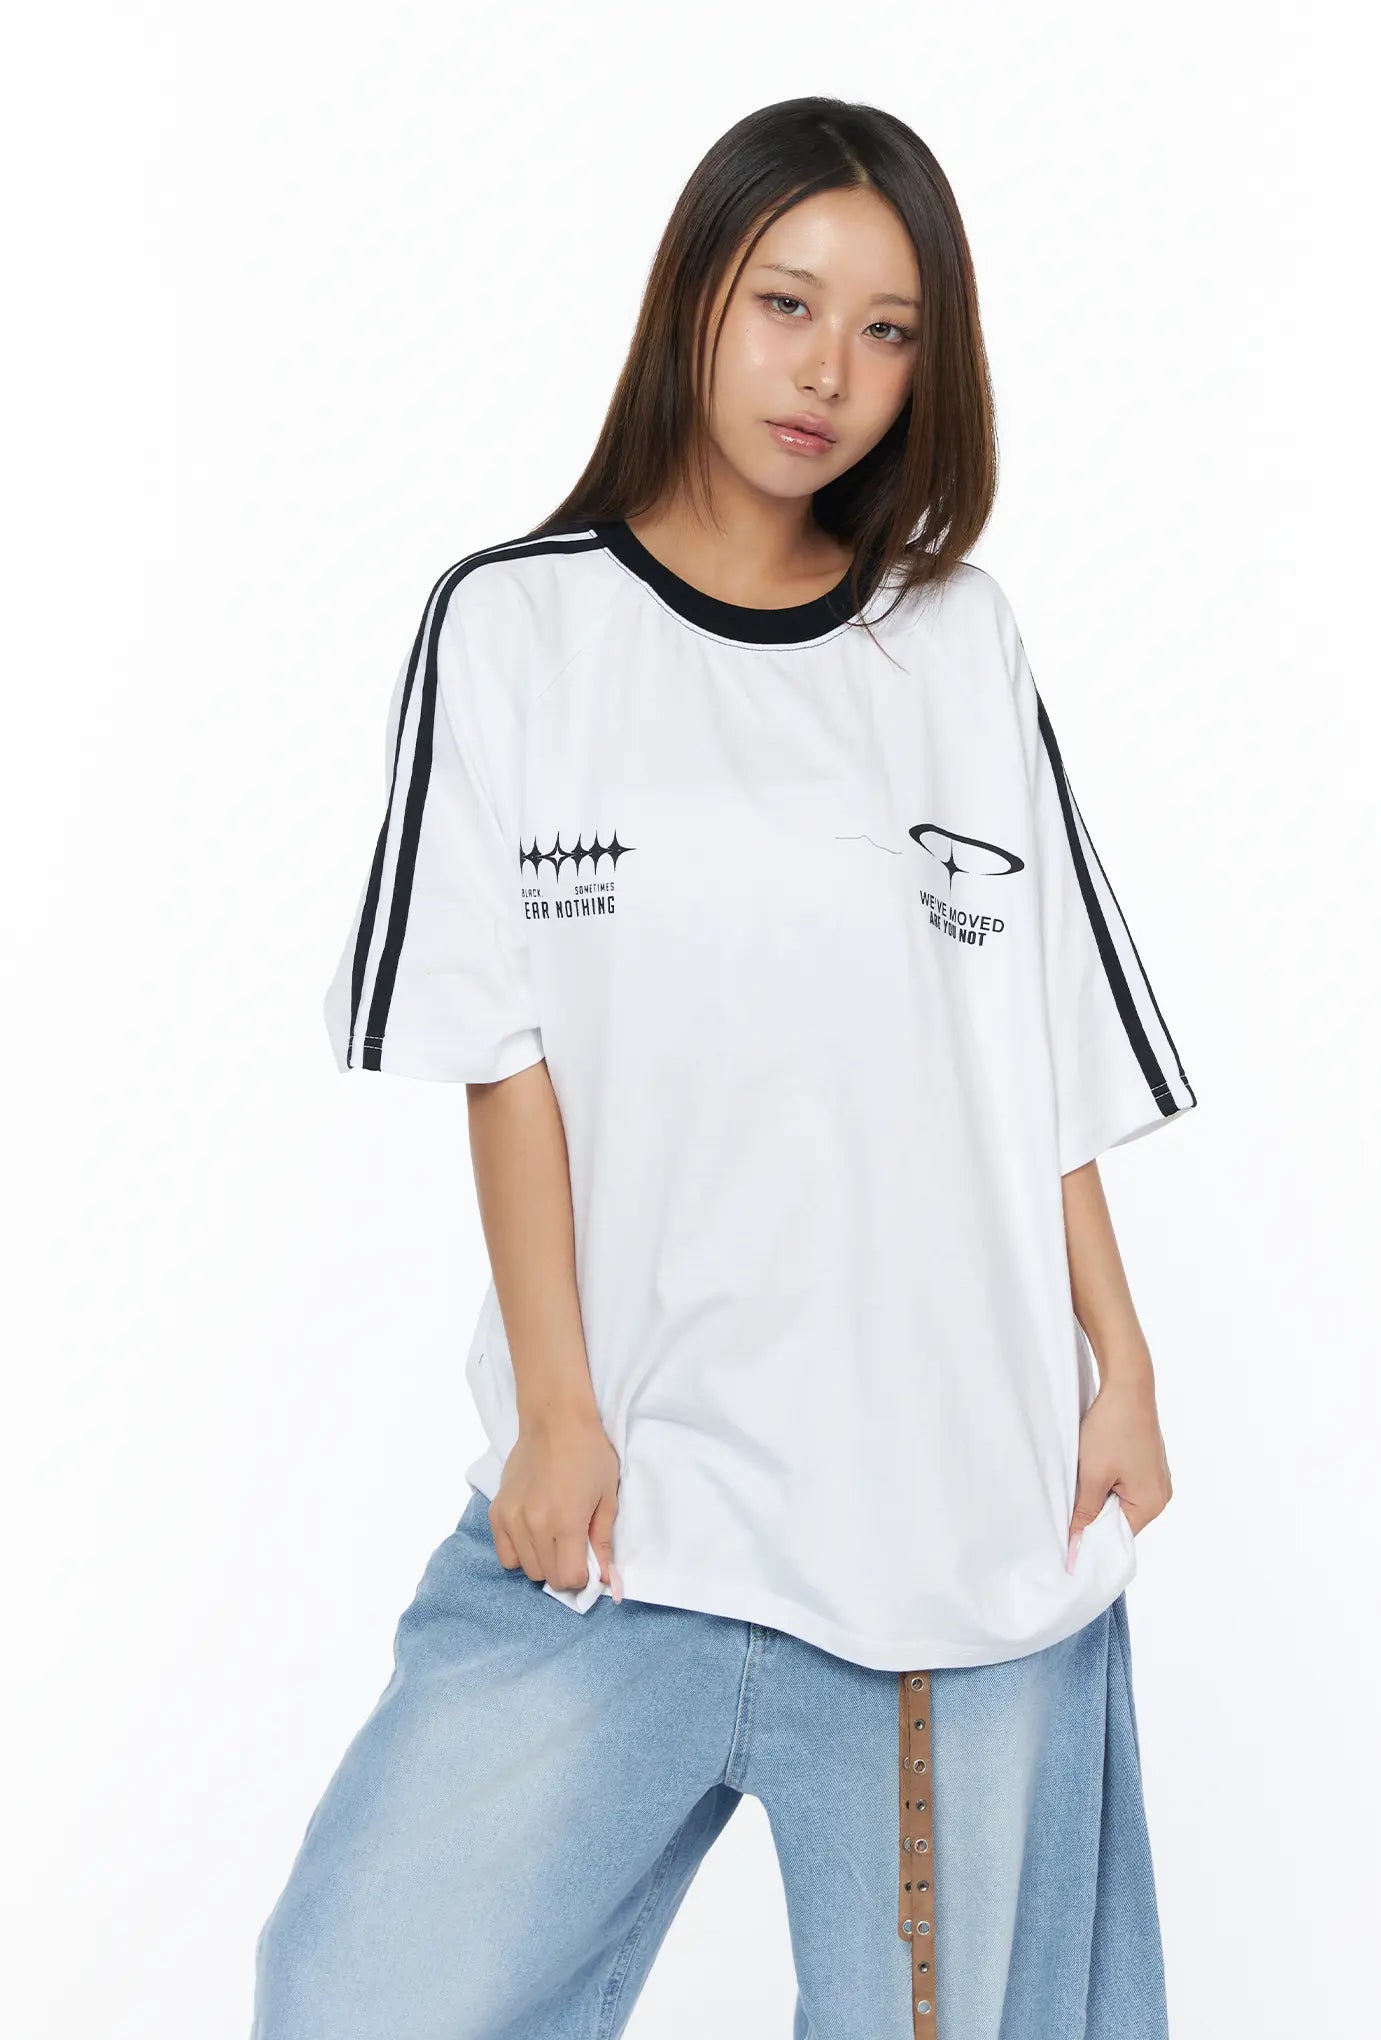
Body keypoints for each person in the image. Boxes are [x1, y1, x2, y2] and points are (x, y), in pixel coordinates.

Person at [250, 95, 1198, 2039]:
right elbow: (499, 1049)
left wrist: (1124, 1361)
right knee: (358, 1990)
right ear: (695, 293)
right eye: (788, 302)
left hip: (945, 1532)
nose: (829, 370)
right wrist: (558, 1411)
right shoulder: (517, 629)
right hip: (631, 1519)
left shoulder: (955, 644)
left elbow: (1034, 1047)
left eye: (888, 330)